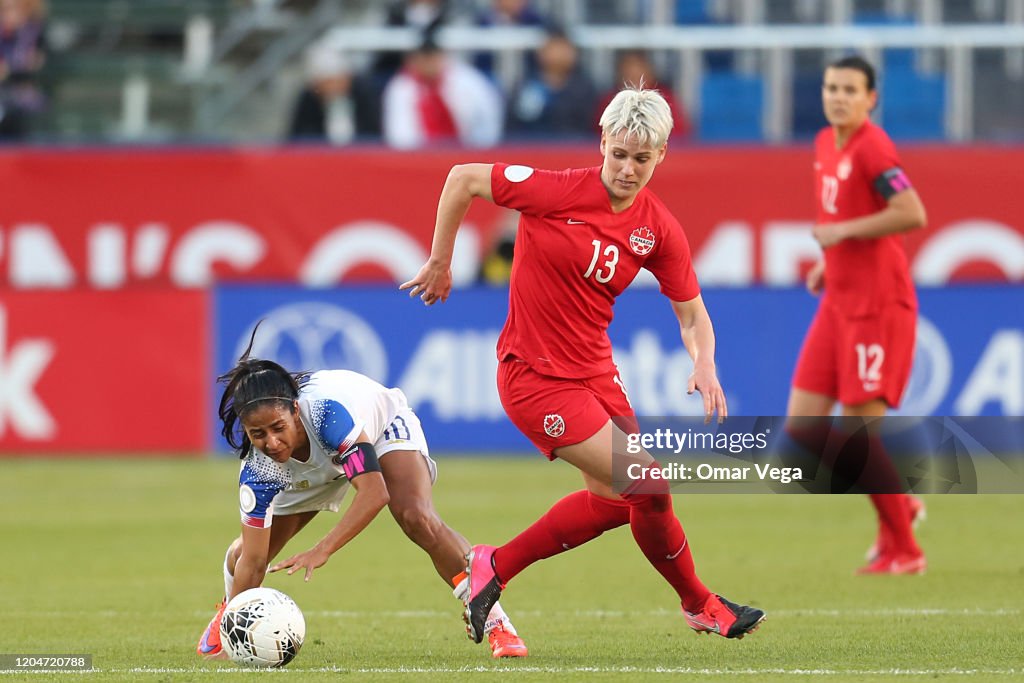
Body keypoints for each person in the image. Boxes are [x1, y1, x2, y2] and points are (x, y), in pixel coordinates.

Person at [400, 85, 766, 645]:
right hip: (534, 377)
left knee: (620, 503)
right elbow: (462, 178)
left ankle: (491, 565)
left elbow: (692, 314)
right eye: (618, 154)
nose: (627, 169)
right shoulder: (554, 190)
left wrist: (706, 363)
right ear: (602, 143)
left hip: (597, 374)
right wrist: (441, 261)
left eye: (641, 159)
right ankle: (699, 603)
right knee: (649, 485)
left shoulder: (658, 228)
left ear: (661, 156)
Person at [196, 327, 528, 659]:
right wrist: (234, 635)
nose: (271, 442)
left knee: (416, 516)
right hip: (315, 465)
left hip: (381, 430)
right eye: (258, 434)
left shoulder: (327, 415)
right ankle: (227, 616)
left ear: (295, 411)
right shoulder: (259, 469)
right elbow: (254, 562)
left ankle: (499, 625)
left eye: (278, 427)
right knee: (249, 554)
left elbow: (374, 492)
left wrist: (322, 549)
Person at [787, 55, 928, 575]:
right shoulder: (826, 142)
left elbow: (912, 212)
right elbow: (837, 213)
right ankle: (901, 506)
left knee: (858, 435)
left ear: (871, 98)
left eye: (850, 89)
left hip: (876, 306)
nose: (838, 96)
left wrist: (842, 236)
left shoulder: (873, 147)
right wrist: (830, 262)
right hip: (838, 301)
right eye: (831, 87)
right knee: (803, 427)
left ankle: (906, 550)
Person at [381, 32, 503, 149]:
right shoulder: (401, 87)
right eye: (424, 58)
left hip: (467, 151)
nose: (428, 64)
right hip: (421, 157)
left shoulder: (467, 80)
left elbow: (488, 117)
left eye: (432, 57)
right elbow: (399, 135)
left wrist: (480, 148)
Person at [505, 28, 597, 140]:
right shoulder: (527, 86)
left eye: (564, 49)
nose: (559, 54)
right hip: (529, 149)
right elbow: (513, 124)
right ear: (541, 52)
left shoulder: (584, 89)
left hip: (572, 150)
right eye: (554, 48)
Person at [596, 50, 690, 141]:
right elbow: (597, 135)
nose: (633, 73)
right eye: (628, 69)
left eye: (638, 68)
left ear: (649, 70)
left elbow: (679, 135)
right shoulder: (610, 101)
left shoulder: (665, 99)